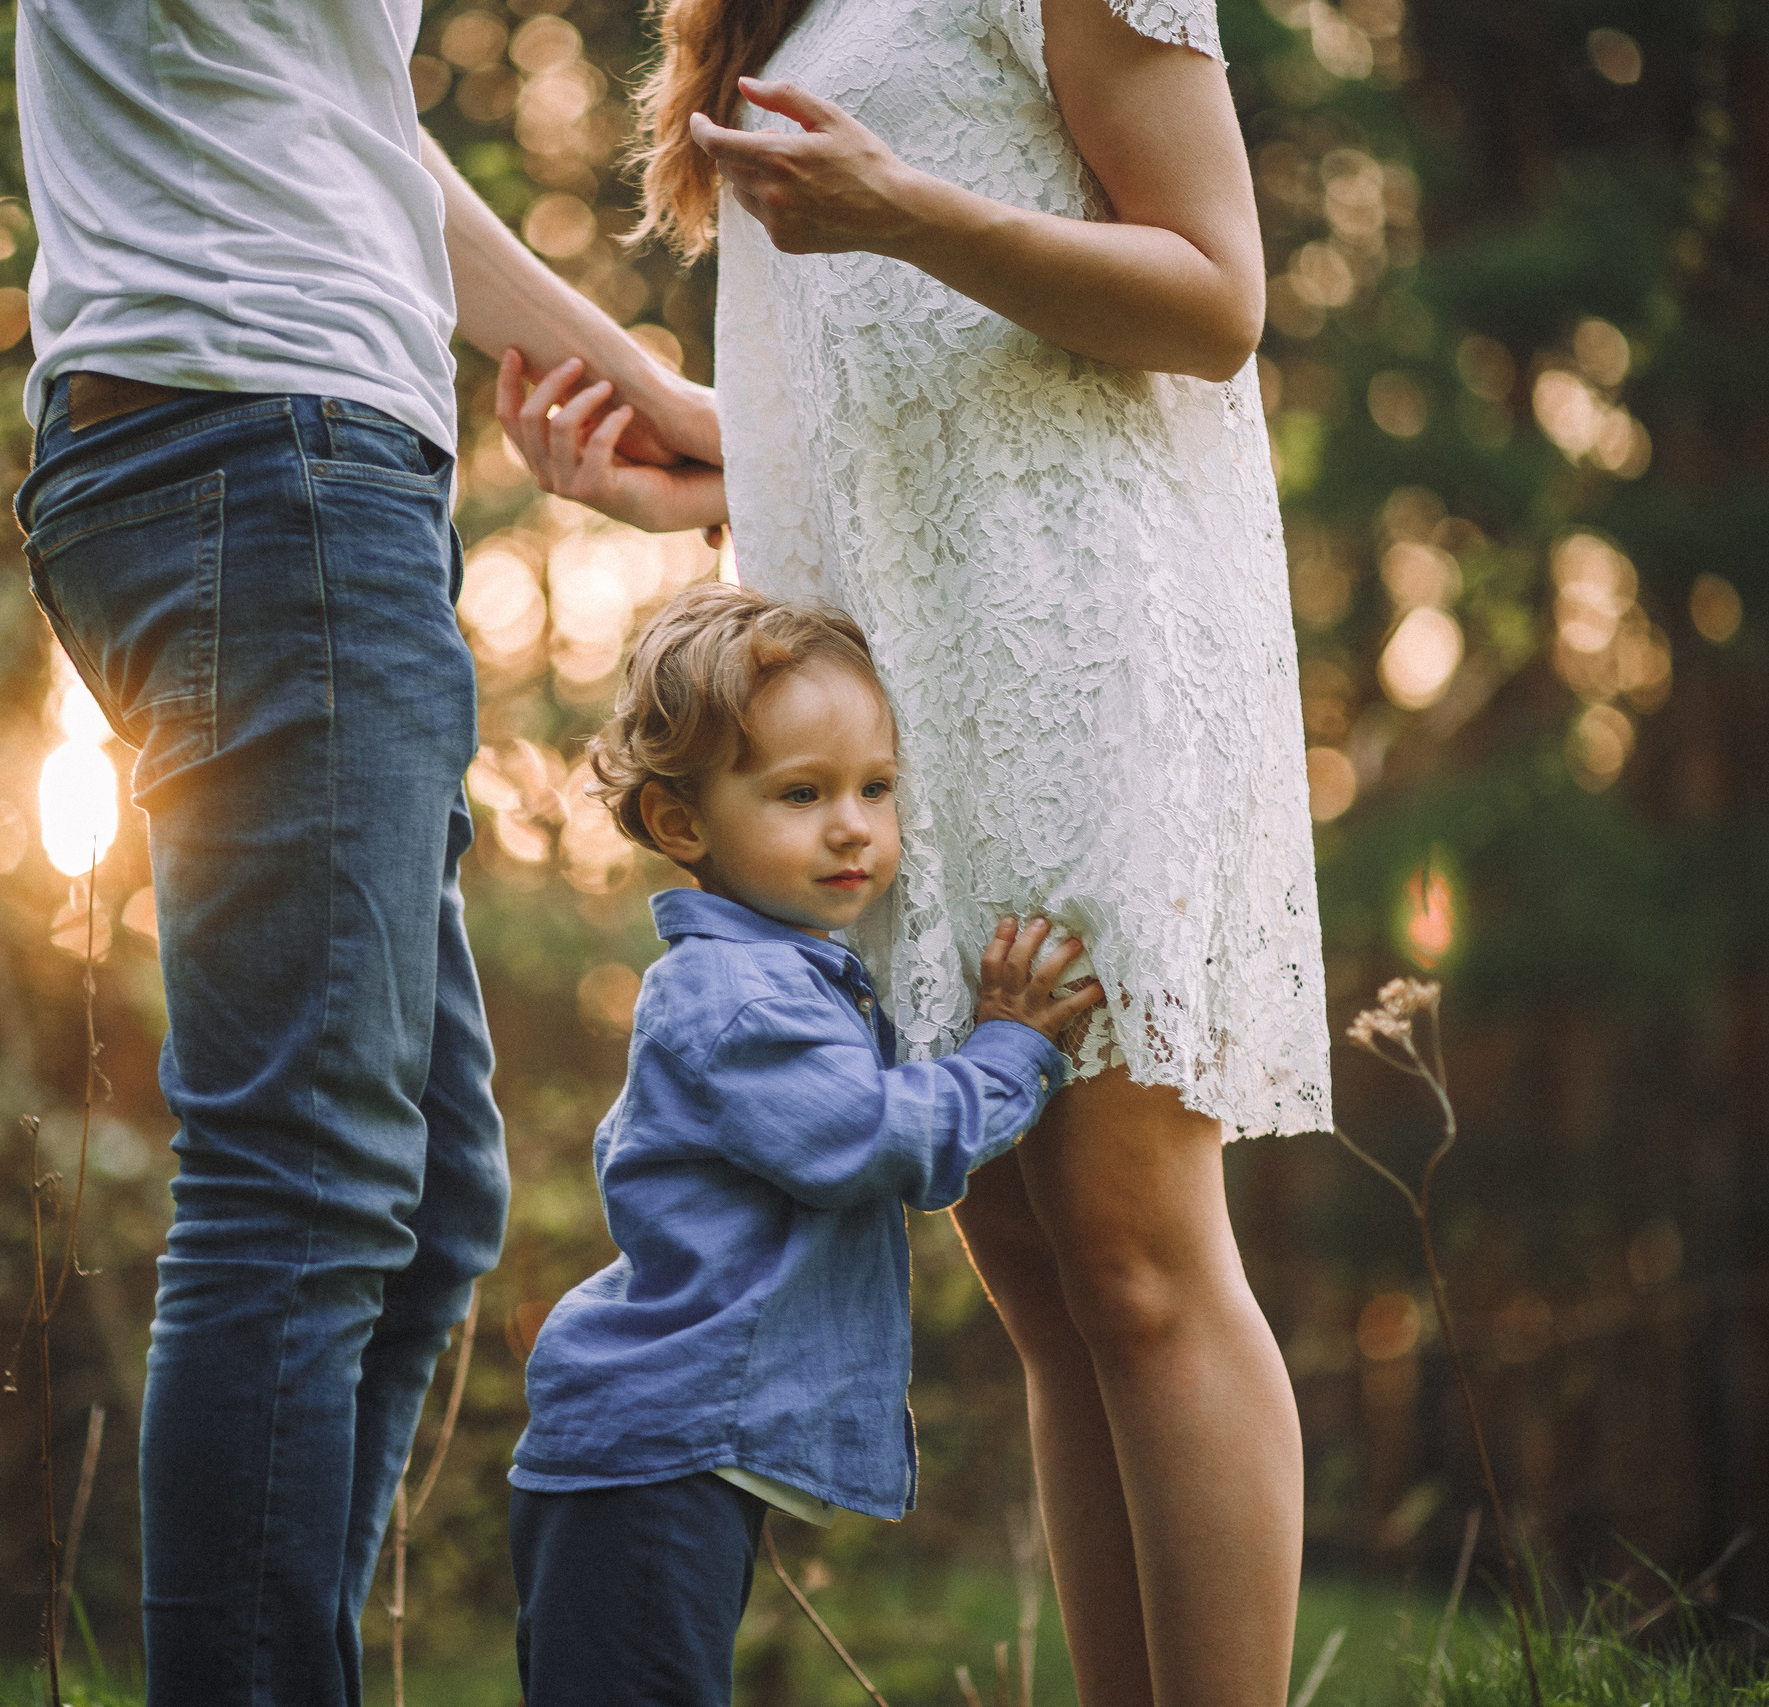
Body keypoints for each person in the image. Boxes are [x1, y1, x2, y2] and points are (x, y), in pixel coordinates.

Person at [494, 1, 1334, 1702]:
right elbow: (888, 362)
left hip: (1065, 651)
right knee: (1034, 1268)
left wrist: (903, 209)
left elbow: (1218, 294)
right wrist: (707, 459)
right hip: (893, 702)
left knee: (1135, 1251)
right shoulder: (778, 9)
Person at [8, 3, 720, 1702]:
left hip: (256, 455)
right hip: (265, 452)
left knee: (423, 1193)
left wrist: (641, 381)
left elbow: (353, 133)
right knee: (306, 1183)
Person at [507, 584, 1104, 1707]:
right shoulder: (739, 994)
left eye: (876, 788)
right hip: (650, 1452)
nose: (854, 826)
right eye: (801, 793)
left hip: (666, 1449)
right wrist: (1007, 1051)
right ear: (682, 825)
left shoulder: (791, 975)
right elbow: (866, 1140)